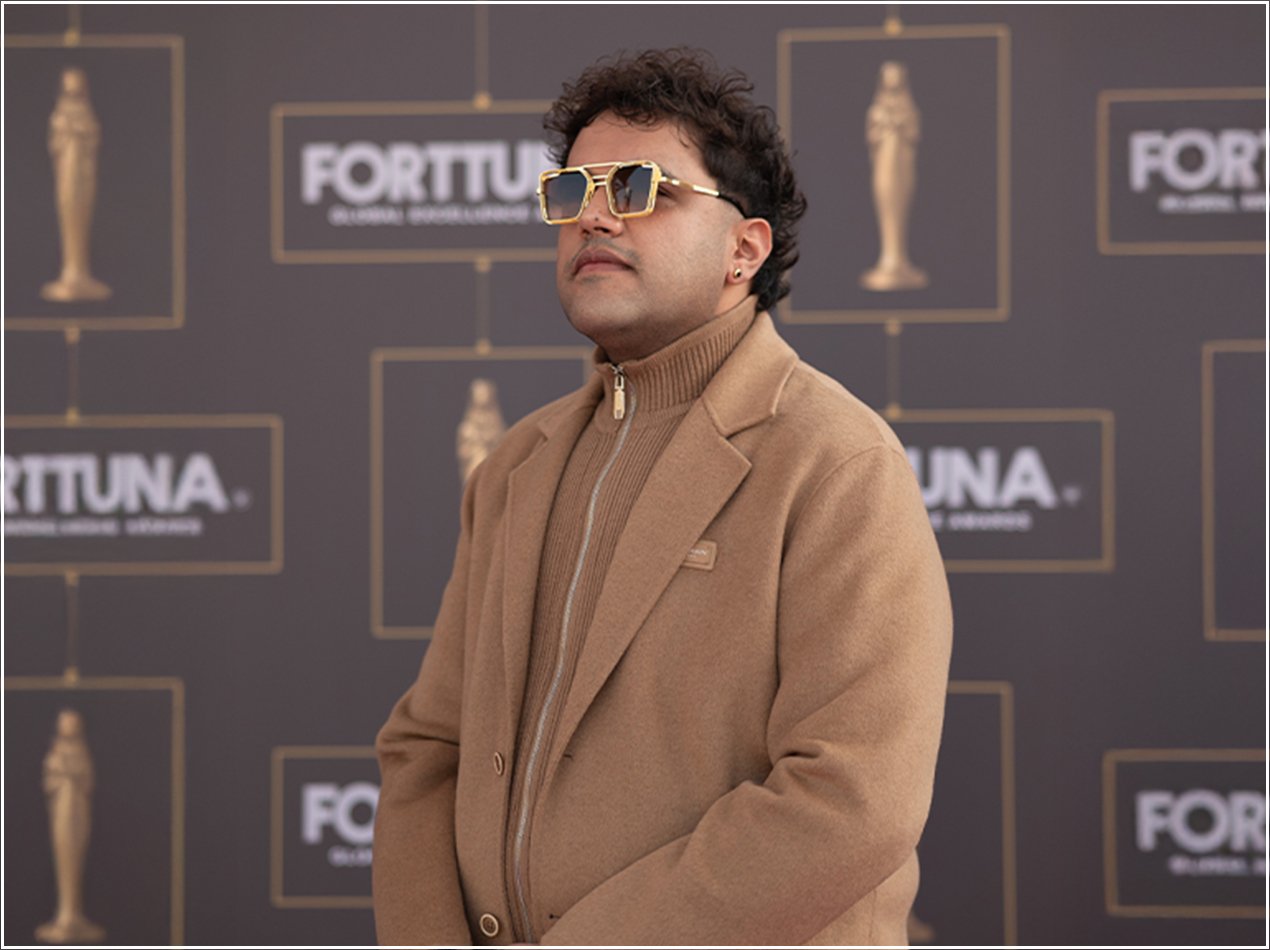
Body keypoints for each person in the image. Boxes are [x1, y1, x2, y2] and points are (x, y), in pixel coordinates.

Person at [373, 48, 952, 947]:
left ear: (744, 250)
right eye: (572, 191)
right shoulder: (515, 465)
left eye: (641, 188)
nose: (594, 214)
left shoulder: (836, 460)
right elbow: (429, 751)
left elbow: (853, 799)